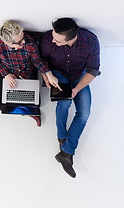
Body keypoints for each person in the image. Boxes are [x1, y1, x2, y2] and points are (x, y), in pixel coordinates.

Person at [40, 18, 100, 177]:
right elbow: (42, 60)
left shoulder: (91, 41)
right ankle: (61, 137)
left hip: (79, 76)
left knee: (84, 113)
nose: (53, 40)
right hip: (58, 74)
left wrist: (78, 88)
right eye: (53, 36)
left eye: (57, 40)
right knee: (65, 103)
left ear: (72, 38)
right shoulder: (48, 39)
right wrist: (46, 75)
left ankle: (66, 153)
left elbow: (93, 70)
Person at [0, 20, 58, 126]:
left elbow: (37, 61)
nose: (23, 42)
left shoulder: (30, 43)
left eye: (23, 38)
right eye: (19, 42)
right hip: (6, 71)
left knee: (36, 104)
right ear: (7, 43)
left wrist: (48, 73)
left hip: (27, 72)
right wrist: (6, 74)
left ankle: (26, 110)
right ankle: (23, 110)